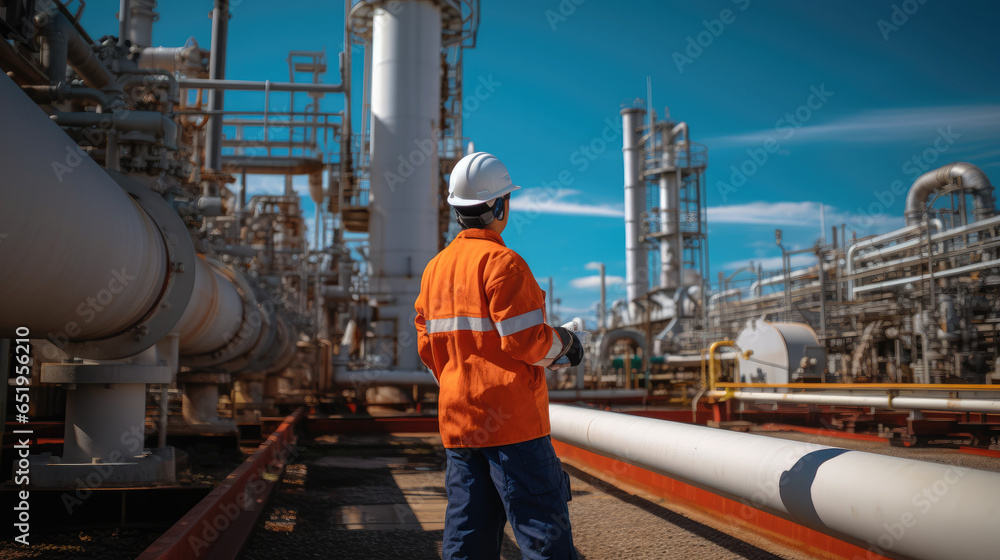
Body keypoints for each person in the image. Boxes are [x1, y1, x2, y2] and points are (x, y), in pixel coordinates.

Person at [414, 152, 584, 559]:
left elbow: (428, 347)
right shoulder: (503, 263)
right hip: (514, 429)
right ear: (500, 206)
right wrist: (569, 344)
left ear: (456, 209)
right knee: (542, 532)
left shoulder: (434, 270)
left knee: (468, 532)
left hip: (460, 425)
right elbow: (528, 342)